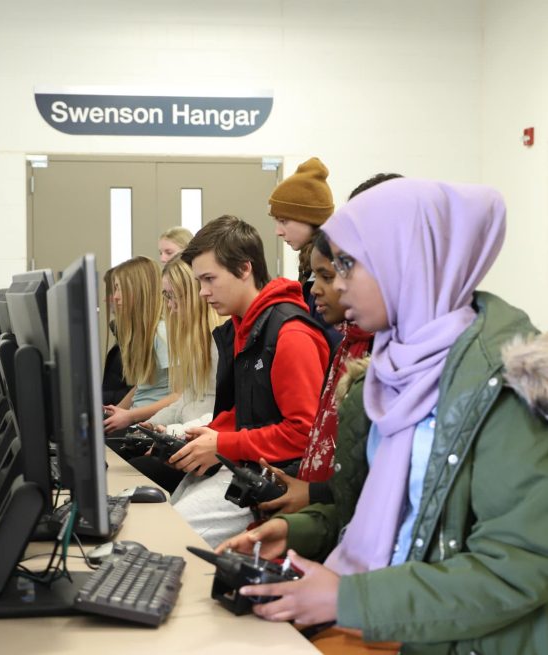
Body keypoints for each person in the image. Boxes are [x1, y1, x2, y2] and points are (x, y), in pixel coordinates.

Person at [217, 178, 548, 654]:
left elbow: (515, 569)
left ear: (405, 262)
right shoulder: (391, 372)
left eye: (350, 264)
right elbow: (384, 516)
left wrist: (349, 598)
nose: (337, 282)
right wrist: (297, 530)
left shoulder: (506, 387)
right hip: (386, 617)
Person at [167, 215, 331, 547]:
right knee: (163, 517)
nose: (202, 293)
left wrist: (223, 445)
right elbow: (252, 411)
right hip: (248, 464)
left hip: (274, 478)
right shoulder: (243, 327)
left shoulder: (290, 334)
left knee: (171, 537)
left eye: (209, 279)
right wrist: (214, 433)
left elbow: (304, 434)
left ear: (244, 269)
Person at [256, 230, 373, 516]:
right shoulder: (346, 344)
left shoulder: (381, 352)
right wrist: (290, 477)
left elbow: (371, 475)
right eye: (313, 277)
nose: (314, 289)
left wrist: (313, 492)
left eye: (327, 277)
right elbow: (323, 441)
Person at [128, 254, 225, 492]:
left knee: (136, 472)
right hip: (185, 436)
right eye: (166, 297)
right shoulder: (191, 340)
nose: (169, 306)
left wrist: (174, 432)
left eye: (174, 297)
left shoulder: (220, 342)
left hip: (202, 446)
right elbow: (184, 401)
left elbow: (220, 411)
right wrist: (149, 426)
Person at [269, 157, 341, 350]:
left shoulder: (334, 265)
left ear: (311, 219)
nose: (278, 231)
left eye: (284, 221)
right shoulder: (308, 267)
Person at [103, 256, 180, 435]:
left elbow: (179, 396)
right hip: (137, 419)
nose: (115, 296)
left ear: (138, 291)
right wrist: (112, 415)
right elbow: (142, 386)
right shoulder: (144, 334)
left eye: (119, 288)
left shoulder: (162, 334)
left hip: (150, 424)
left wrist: (129, 416)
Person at [101, 266, 133, 406]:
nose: (108, 299)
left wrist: (98, 398)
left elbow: (139, 390)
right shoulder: (122, 334)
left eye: (115, 290)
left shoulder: (140, 337)